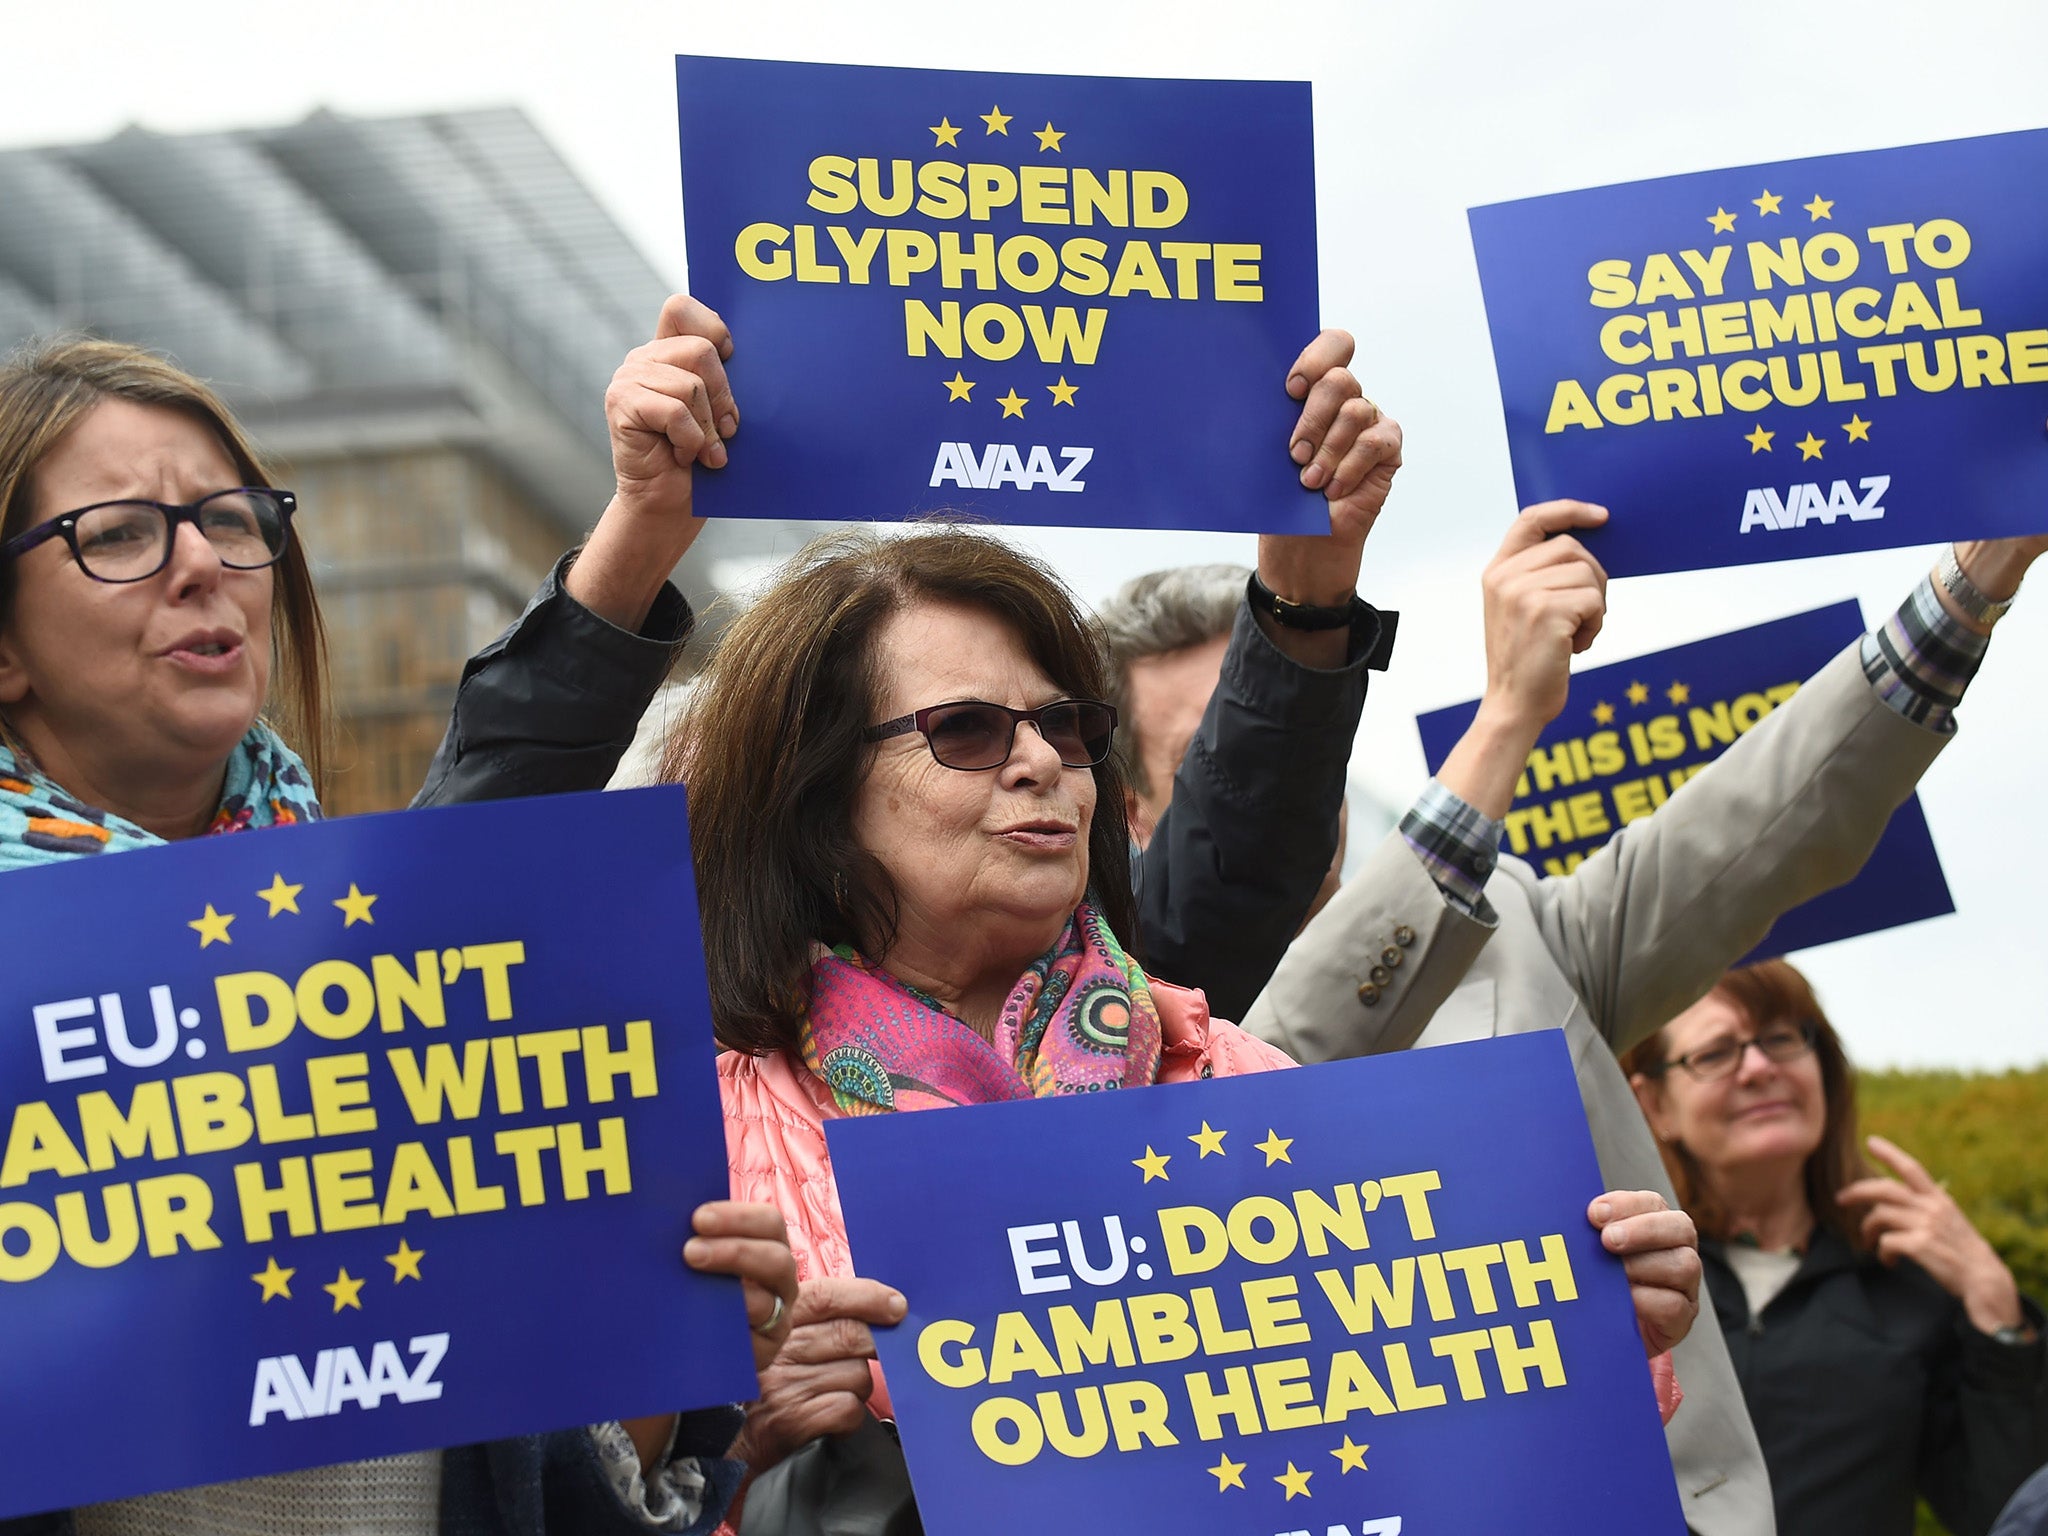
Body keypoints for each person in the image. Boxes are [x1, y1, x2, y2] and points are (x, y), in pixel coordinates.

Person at [670, 523, 1701, 1525]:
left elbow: (1432, 1473)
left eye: (1064, 725)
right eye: (968, 730)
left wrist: (1592, 1343)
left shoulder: (1242, 1079)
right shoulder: (683, 1149)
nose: (1041, 762)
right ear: (817, 799)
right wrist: (732, 1448)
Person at [0, 332, 799, 1535]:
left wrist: (648, 1370)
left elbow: (542, 1482)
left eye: (228, 518)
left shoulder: (397, 978)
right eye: (116, 533)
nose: (200, 565)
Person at [1241, 501, 2048, 1535]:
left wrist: (1970, 582)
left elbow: (1755, 825)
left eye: (1301, 737)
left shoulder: (1514, 935)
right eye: (1233, 752)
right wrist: (1497, 728)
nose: (1280, 783)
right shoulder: (1115, 1061)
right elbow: (1275, 1059)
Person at [1621, 959, 2048, 1535]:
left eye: (1781, 1038)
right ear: (1653, 1104)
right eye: (1716, 1053)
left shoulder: (1906, 1286)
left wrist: (1997, 1313)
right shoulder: (1628, 1280)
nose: (1759, 1067)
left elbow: (2002, 1511)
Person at [1100, 560, 1359, 937]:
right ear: (1133, 816)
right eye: (1216, 758)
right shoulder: (1114, 993)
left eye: (1291, 727)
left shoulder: (1455, 969)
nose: (1280, 770)